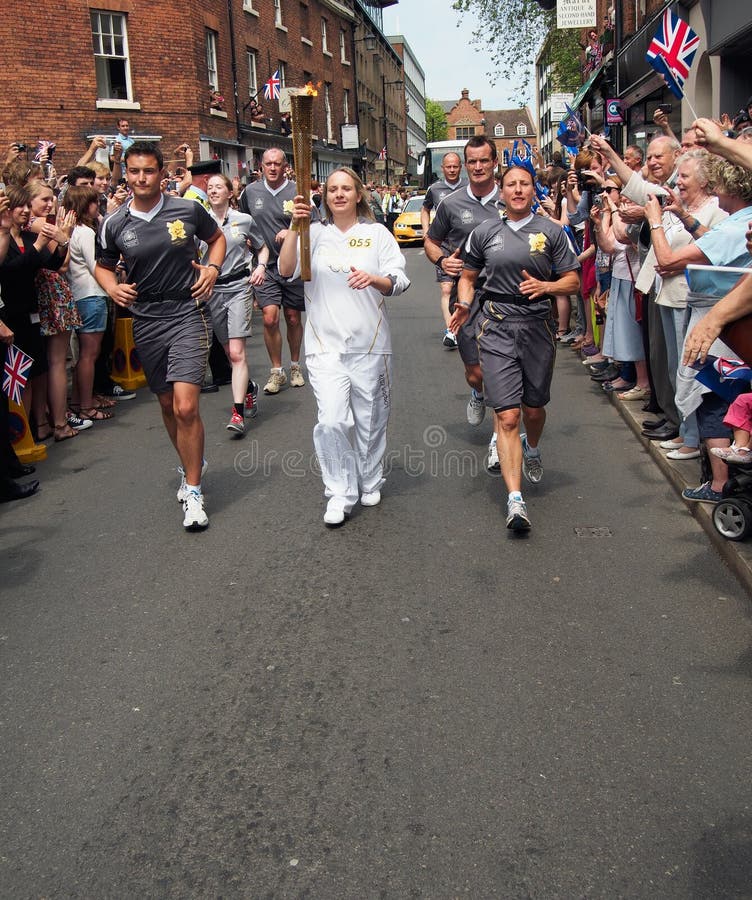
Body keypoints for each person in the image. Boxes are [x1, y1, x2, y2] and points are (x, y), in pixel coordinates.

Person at [95, 141, 226, 531]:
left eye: (148, 171)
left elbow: (216, 239)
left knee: (187, 406)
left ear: (160, 172)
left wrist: (212, 269)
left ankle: (194, 490)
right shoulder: (114, 222)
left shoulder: (187, 209)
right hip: (147, 319)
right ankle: (191, 462)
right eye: (133, 171)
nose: (140, 179)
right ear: (126, 172)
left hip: (188, 311)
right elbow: (103, 266)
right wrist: (111, 288)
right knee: (168, 405)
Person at [448, 165, 580, 531]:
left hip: (537, 326)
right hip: (496, 326)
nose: (518, 190)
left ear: (532, 189)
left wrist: (547, 288)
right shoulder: (485, 232)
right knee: (508, 415)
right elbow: (469, 276)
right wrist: (463, 303)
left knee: (533, 409)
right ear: (501, 192)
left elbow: (572, 279)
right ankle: (515, 501)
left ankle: (532, 449)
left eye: (524, 184)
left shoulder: (551, 232)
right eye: (511, 185)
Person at [277, 167, 410, 526]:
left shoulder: (377, 233)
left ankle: (369, 477)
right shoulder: (312, 233)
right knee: (332, 420)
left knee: (371, 422)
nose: (339, 195)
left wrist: (375, 279)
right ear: (324, 196)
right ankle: (339, 490)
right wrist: (294, 226)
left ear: (358, 194)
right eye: (332, 189)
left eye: (346, 189)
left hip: (371, 344)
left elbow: (400, 279)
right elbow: (286, 269)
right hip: (324, 346)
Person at [424, 135, 503, 468]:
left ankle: (501, 441)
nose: (478, 166)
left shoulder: (512, 197)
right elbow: (431, 242)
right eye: (472, 161)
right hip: (466, 297)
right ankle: (477, 391)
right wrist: (442, 261)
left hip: (505, 297)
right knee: (475, 371)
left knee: (502, 370)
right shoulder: (451, 204)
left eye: (484, 160)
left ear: (494, 162)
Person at [238, 148, 309, 394]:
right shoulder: (250, 192)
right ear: (261, 166)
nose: (272, 168)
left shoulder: (298, 193)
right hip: (264, 265)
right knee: (269, 318)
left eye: (277, 163)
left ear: (285, 166)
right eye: (268, 163)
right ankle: (276, 371)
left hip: (292, 266)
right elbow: (242, 222)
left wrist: (292, 233)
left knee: (292, 317)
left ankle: (295, 365)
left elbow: (315, 225)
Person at [204, 172, 268, 436]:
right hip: (213, 290)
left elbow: (262, 247)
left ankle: (238, 413)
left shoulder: (244, 220)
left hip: (239, 287)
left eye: (219, 187)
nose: (214, 190)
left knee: (238, 353)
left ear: (230, 193)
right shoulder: (200, 221)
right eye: (210, 187)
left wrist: (261, 266)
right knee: (230, 354)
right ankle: (249, 387)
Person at [183, 157, 234, 392]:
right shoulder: (194, 202)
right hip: (196, 270)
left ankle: (221, 370)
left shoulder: (194, 199)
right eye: (212, 183)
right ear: (206, 180)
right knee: (203, 323)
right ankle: (202, 374)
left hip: (203, 270)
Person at [420, 152, 465, 348]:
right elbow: (425, 209)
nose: (452, 170)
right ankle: (451, 331)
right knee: (447, 288)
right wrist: (426, 231)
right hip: (442, 245)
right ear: (442, 168)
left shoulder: (470, 186)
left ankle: (465, 324)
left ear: (460, 167)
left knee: (465, 288)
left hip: (465, 244)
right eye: (449, 167)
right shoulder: (435, 188)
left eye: (455, 166)